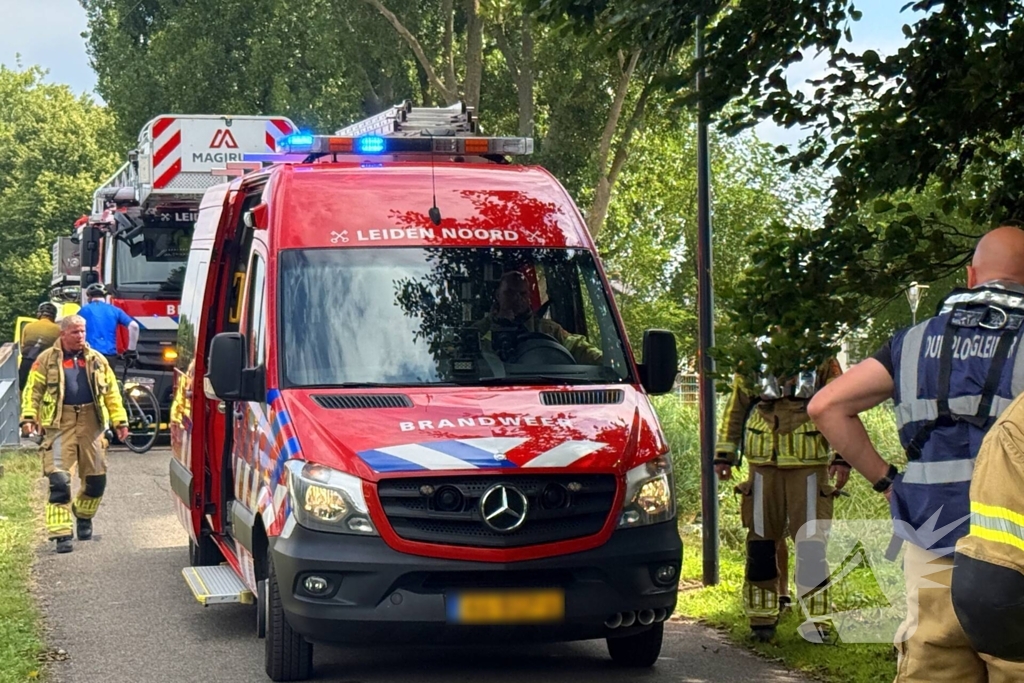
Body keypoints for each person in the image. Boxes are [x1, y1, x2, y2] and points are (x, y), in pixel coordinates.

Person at [808, 226, 1024, 682]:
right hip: (1013, 563)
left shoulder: (912, 343)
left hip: (931, 540)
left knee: (932, 666)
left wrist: (886, 481)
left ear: (970, 276)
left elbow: (826, 406)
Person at [715, 360, 849, 642]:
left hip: (810, 462)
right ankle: (761, 620)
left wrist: (842, 456)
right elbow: (736, 405)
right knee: (761, 544)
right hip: (763, 462)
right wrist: (724, 453)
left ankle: (818, 623)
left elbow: (840, 403)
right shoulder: (754, 352)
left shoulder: (821, 354)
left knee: (811, 543)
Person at [19, 315, 128, 554]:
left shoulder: (97, 360)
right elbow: (32, 391)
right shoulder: (45, 360)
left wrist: (120, 420)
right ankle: (61, 534)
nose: (81, 336)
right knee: (59, 481)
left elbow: (112, 394)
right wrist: (28, 417)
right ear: (63, 334)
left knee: (96, 481)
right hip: (60, 424)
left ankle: (83, 515)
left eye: (83, 331)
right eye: (75, 332)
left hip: (92, 424)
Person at [474, 270, 602, 364]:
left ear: (529, 297)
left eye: (522, 293)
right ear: (497, 295)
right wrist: (499, 325)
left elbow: (579, 348)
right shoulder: (479, 331)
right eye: (510, 293)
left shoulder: (549, 330)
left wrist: (610, 361)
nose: (517, 299)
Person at [77, 283, 139, 372]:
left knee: (89, 383)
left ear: (90, 297)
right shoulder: (115, 310)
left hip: (89, 354)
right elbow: (134, 326)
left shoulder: (83, 311)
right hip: (110, 356)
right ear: (105, 296)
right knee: (108, 382)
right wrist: (131, 350)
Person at [19, 302, 60, 393]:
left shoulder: (28, 326)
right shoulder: (58, 329)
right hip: (45, 363)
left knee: (23, 388)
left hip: (27, 361)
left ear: (39, 314)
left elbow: (22, 346)